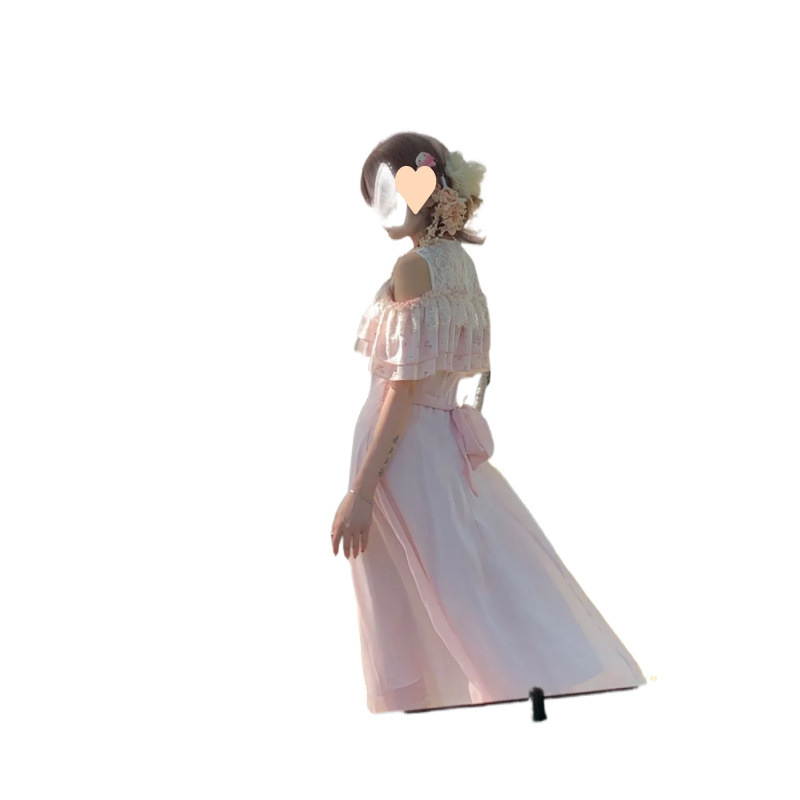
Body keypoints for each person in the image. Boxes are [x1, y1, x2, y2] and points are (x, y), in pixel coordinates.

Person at [331, 131, 647, 715]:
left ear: (419, 188)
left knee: (428, 591)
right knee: (470, 575)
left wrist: (362, 490)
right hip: (436, 444)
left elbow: (402, 388)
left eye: (385, 191)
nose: (380, 209)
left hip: (404, 452)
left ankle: (474, 691)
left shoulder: (414, 268)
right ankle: (532, 678)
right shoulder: (460, 265)